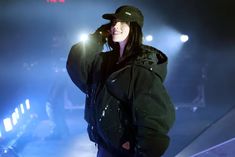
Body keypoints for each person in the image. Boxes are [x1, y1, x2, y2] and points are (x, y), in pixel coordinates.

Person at [66, 5, 175, 157]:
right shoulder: (105, 61)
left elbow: (154, 117)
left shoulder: (141, 67)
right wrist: (99, 35)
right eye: (113, 22)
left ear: (134, 28)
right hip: (105, 146)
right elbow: (76, 64)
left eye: (123, 22)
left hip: (126, 152)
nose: (115, 26)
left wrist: (141, 150)